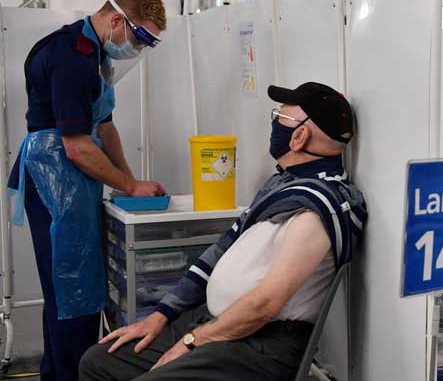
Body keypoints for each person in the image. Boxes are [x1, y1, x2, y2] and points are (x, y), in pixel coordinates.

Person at [79, 82, 368, 381]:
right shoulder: (282, 186)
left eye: (279, 116)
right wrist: (159, 315)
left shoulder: (319, 210)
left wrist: (190, 342)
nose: (274, 123)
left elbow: (265, 304)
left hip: (258, 346)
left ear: (299, 136)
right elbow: (219, 251)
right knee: (99, 362)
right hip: (214, 322)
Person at [5, 0, 166, 380]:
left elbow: (105, 127)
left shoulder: (97, 55)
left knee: (76, 290)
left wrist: (130, 180)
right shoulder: (71, 56)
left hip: (75, 178)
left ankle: (56, 373)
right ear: (117, 21)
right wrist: (129, 188)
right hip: (54, 175)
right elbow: (77, 147)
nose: (140, 49)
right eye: (140, 38)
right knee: (72, 292)